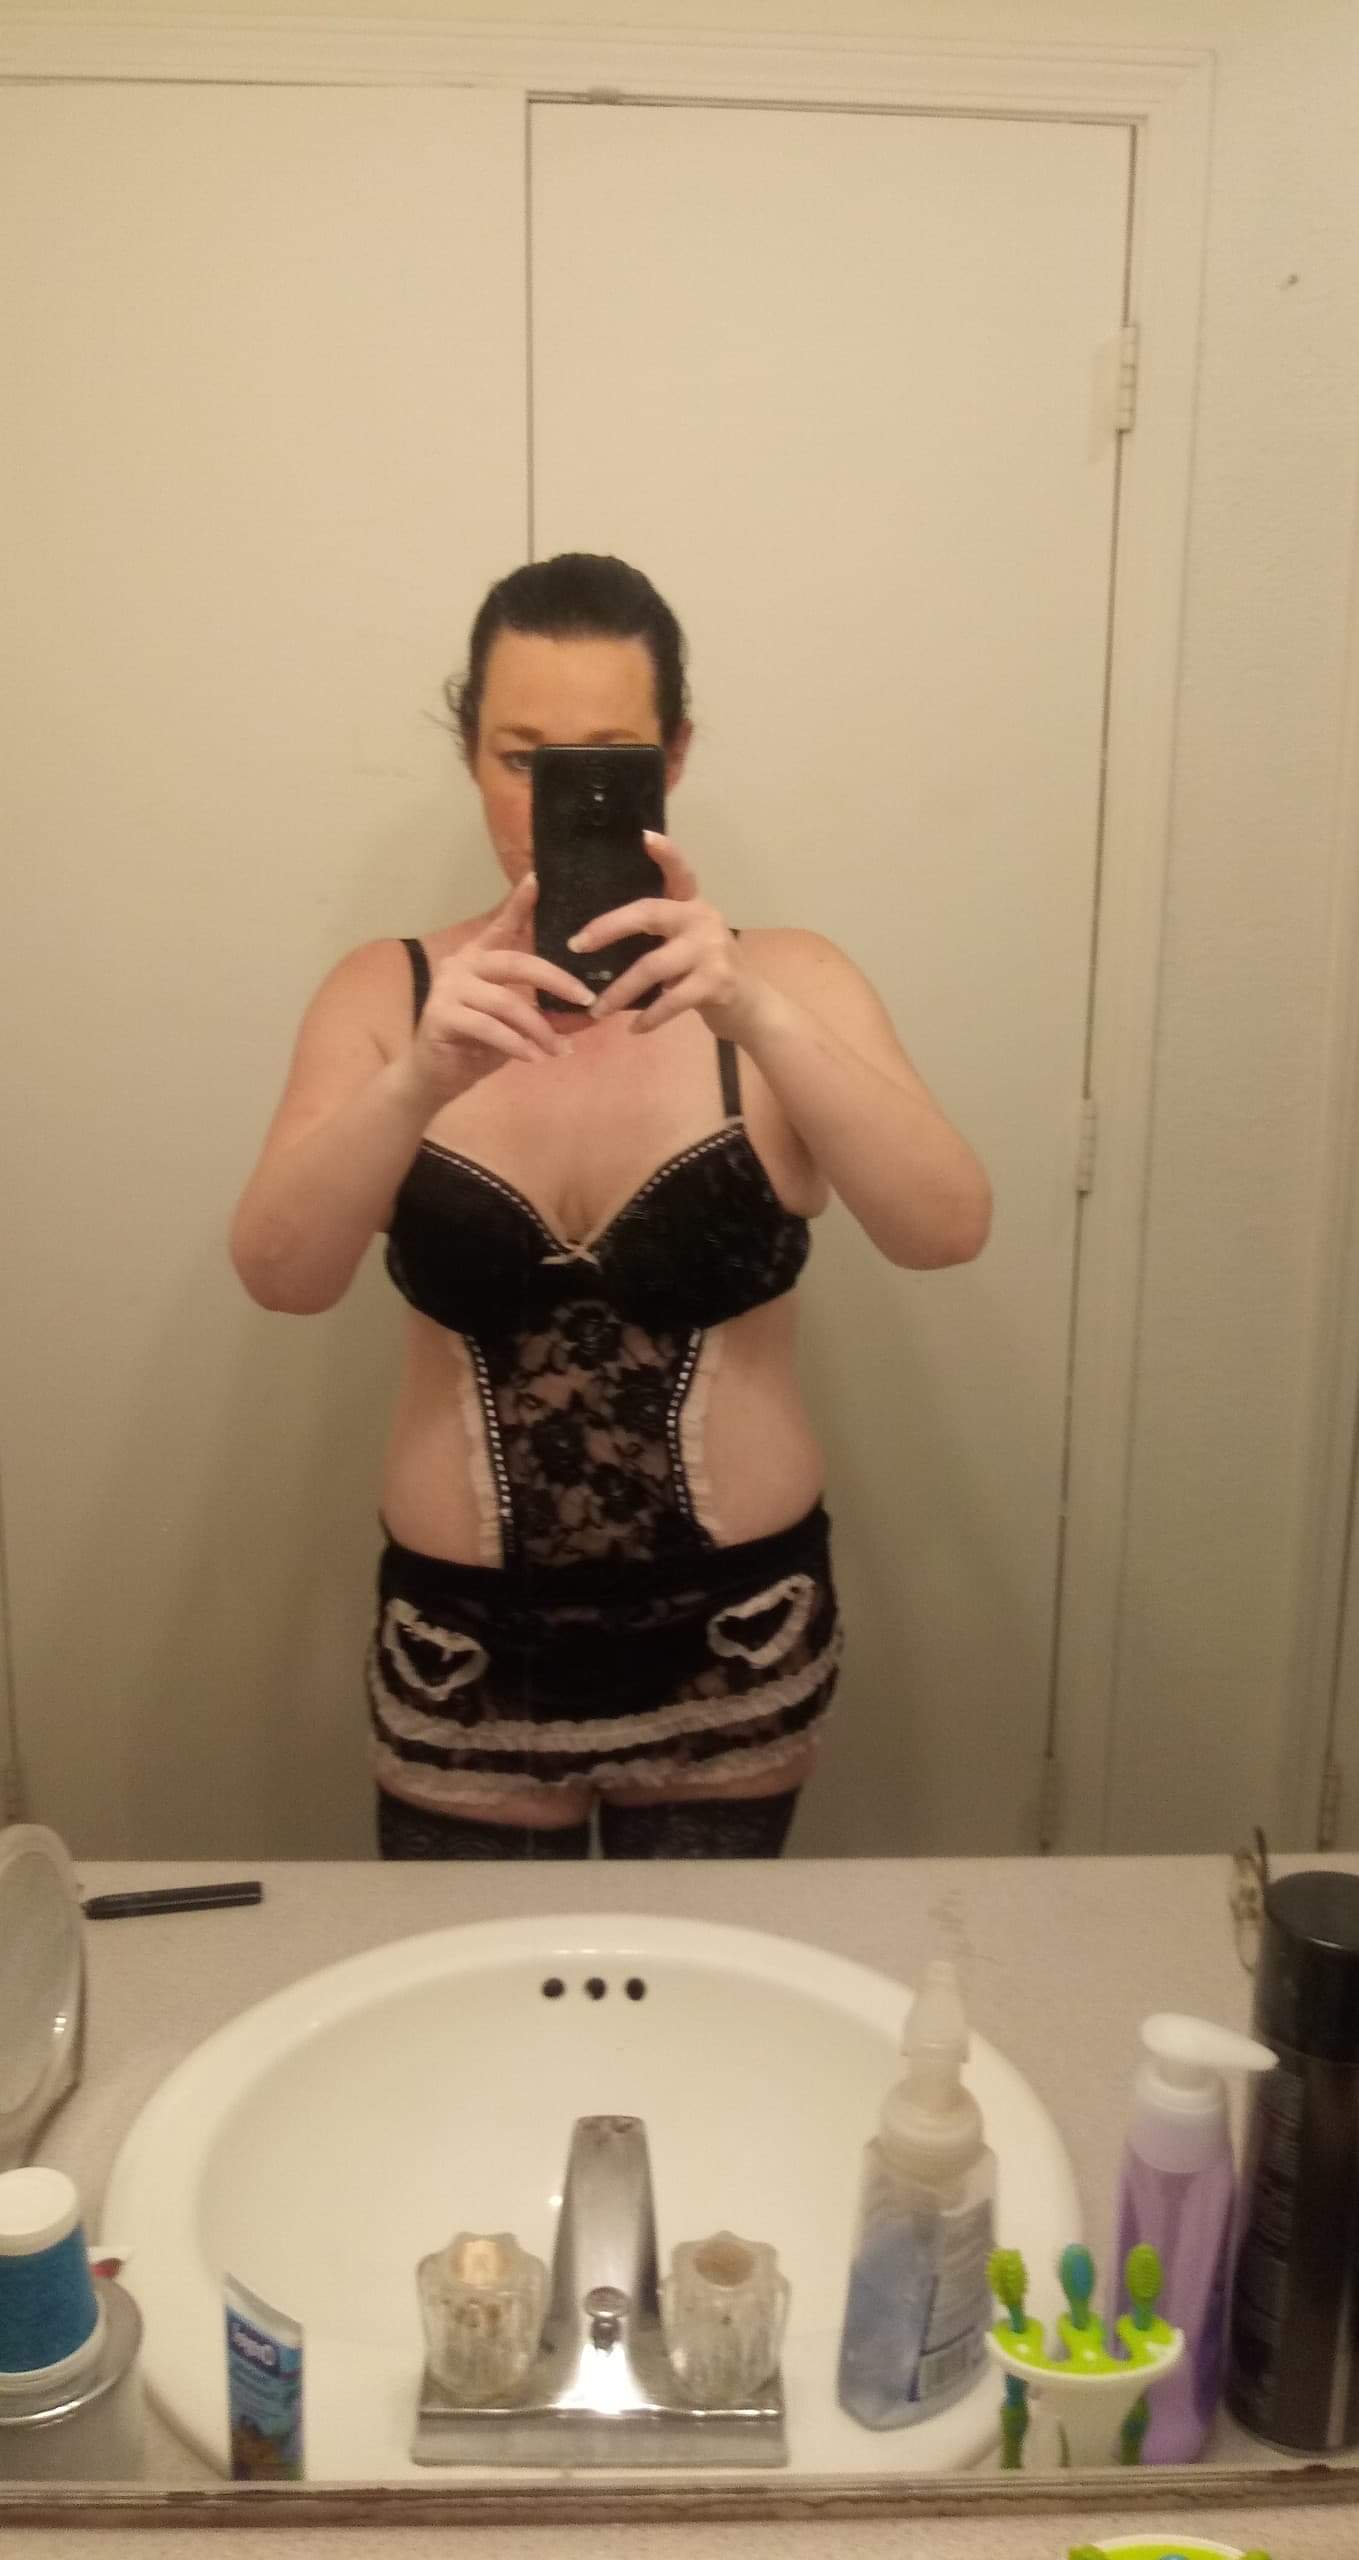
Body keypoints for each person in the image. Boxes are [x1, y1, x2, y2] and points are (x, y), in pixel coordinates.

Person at [230, 554, 991, 1859]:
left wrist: (751, 1009)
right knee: (473, 1993)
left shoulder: (789, 981)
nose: (553, 800)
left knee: (698, 1992)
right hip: (463, 1657)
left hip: (733, 1642)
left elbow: (945, 1228)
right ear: (468, 750)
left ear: (674, 755)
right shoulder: (387, 994)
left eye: (607, 759)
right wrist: (418, 1081)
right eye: (520, 757)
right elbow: (281, 1275)